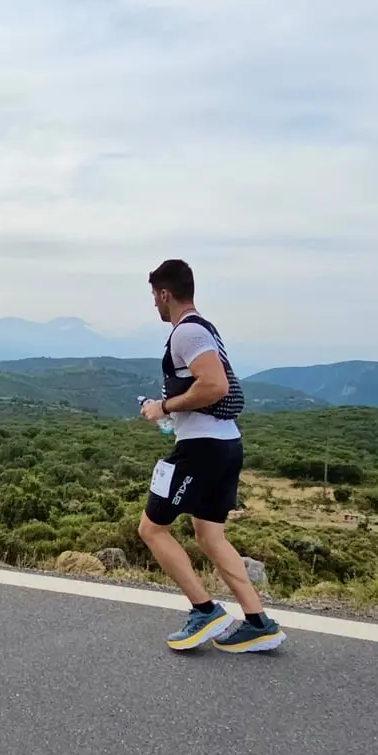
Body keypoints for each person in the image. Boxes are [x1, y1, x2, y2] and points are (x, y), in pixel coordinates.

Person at [137, 259, 287, 653]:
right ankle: (258, 623)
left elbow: (215, 385)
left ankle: (205, 612)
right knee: (209, 535)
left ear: (165, 294)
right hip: (226, 445)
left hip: (200, 449)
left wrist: (165, 407)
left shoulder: (186, 332)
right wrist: (169, 407)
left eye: (154, 296)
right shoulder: (206, 329)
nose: (154, 304)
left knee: (151, 529)